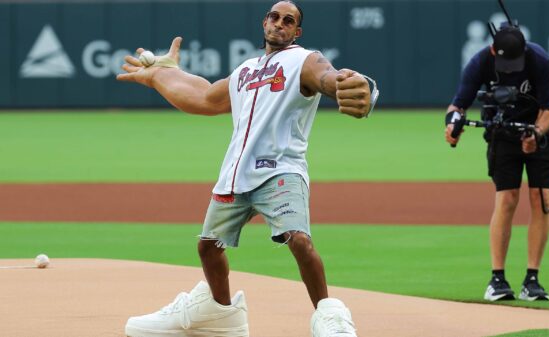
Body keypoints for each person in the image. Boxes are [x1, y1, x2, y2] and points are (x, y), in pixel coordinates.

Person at [117, 1, 374, 336]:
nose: (279, 23)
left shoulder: (304, 60)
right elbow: (204, 97)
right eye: (274, 16)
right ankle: (221, 316)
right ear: (264, 22)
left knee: (298, 240)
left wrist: (348, 83)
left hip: (281, 170)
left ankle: (330, 317)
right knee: (208, 246)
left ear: (297, 31)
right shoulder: (245, 71)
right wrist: (161, 74)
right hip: (236, 174)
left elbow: (327, 77)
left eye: (289, 20)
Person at [445, 22, 549, 302]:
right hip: (503, 133)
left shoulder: (540, 60)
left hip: (542, 130)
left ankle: (531, 279)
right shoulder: (480, 62)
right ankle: (497, 278)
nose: (511, 66)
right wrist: (452, 125)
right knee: (507, 198)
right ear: (492, 51)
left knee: (541, 198)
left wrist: (536, 133)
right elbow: (457, 105)